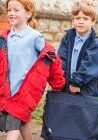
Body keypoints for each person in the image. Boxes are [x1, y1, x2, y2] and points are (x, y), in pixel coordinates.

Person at [0, 0, 66, 140]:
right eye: (9, 10)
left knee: (12, 128)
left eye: (16, 10)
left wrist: (58, 82)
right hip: (7, 91)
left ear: (28, 14)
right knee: (21, 121)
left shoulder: (34, 37)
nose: (11, 13)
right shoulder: (4, 38)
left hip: (25, 92)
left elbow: (52, 57)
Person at [57, 0, 98, 139]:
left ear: (93, 22)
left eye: (85, 18)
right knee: (69, 128)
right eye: (77, 18)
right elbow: (61, 60)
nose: (81, 21)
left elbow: (89, 67)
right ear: (72, 20)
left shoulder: (96, 44)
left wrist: (76, 83)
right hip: (68, 89)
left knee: (87, 129)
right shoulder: (68, 38)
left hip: (87, 91)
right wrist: (62, 82)